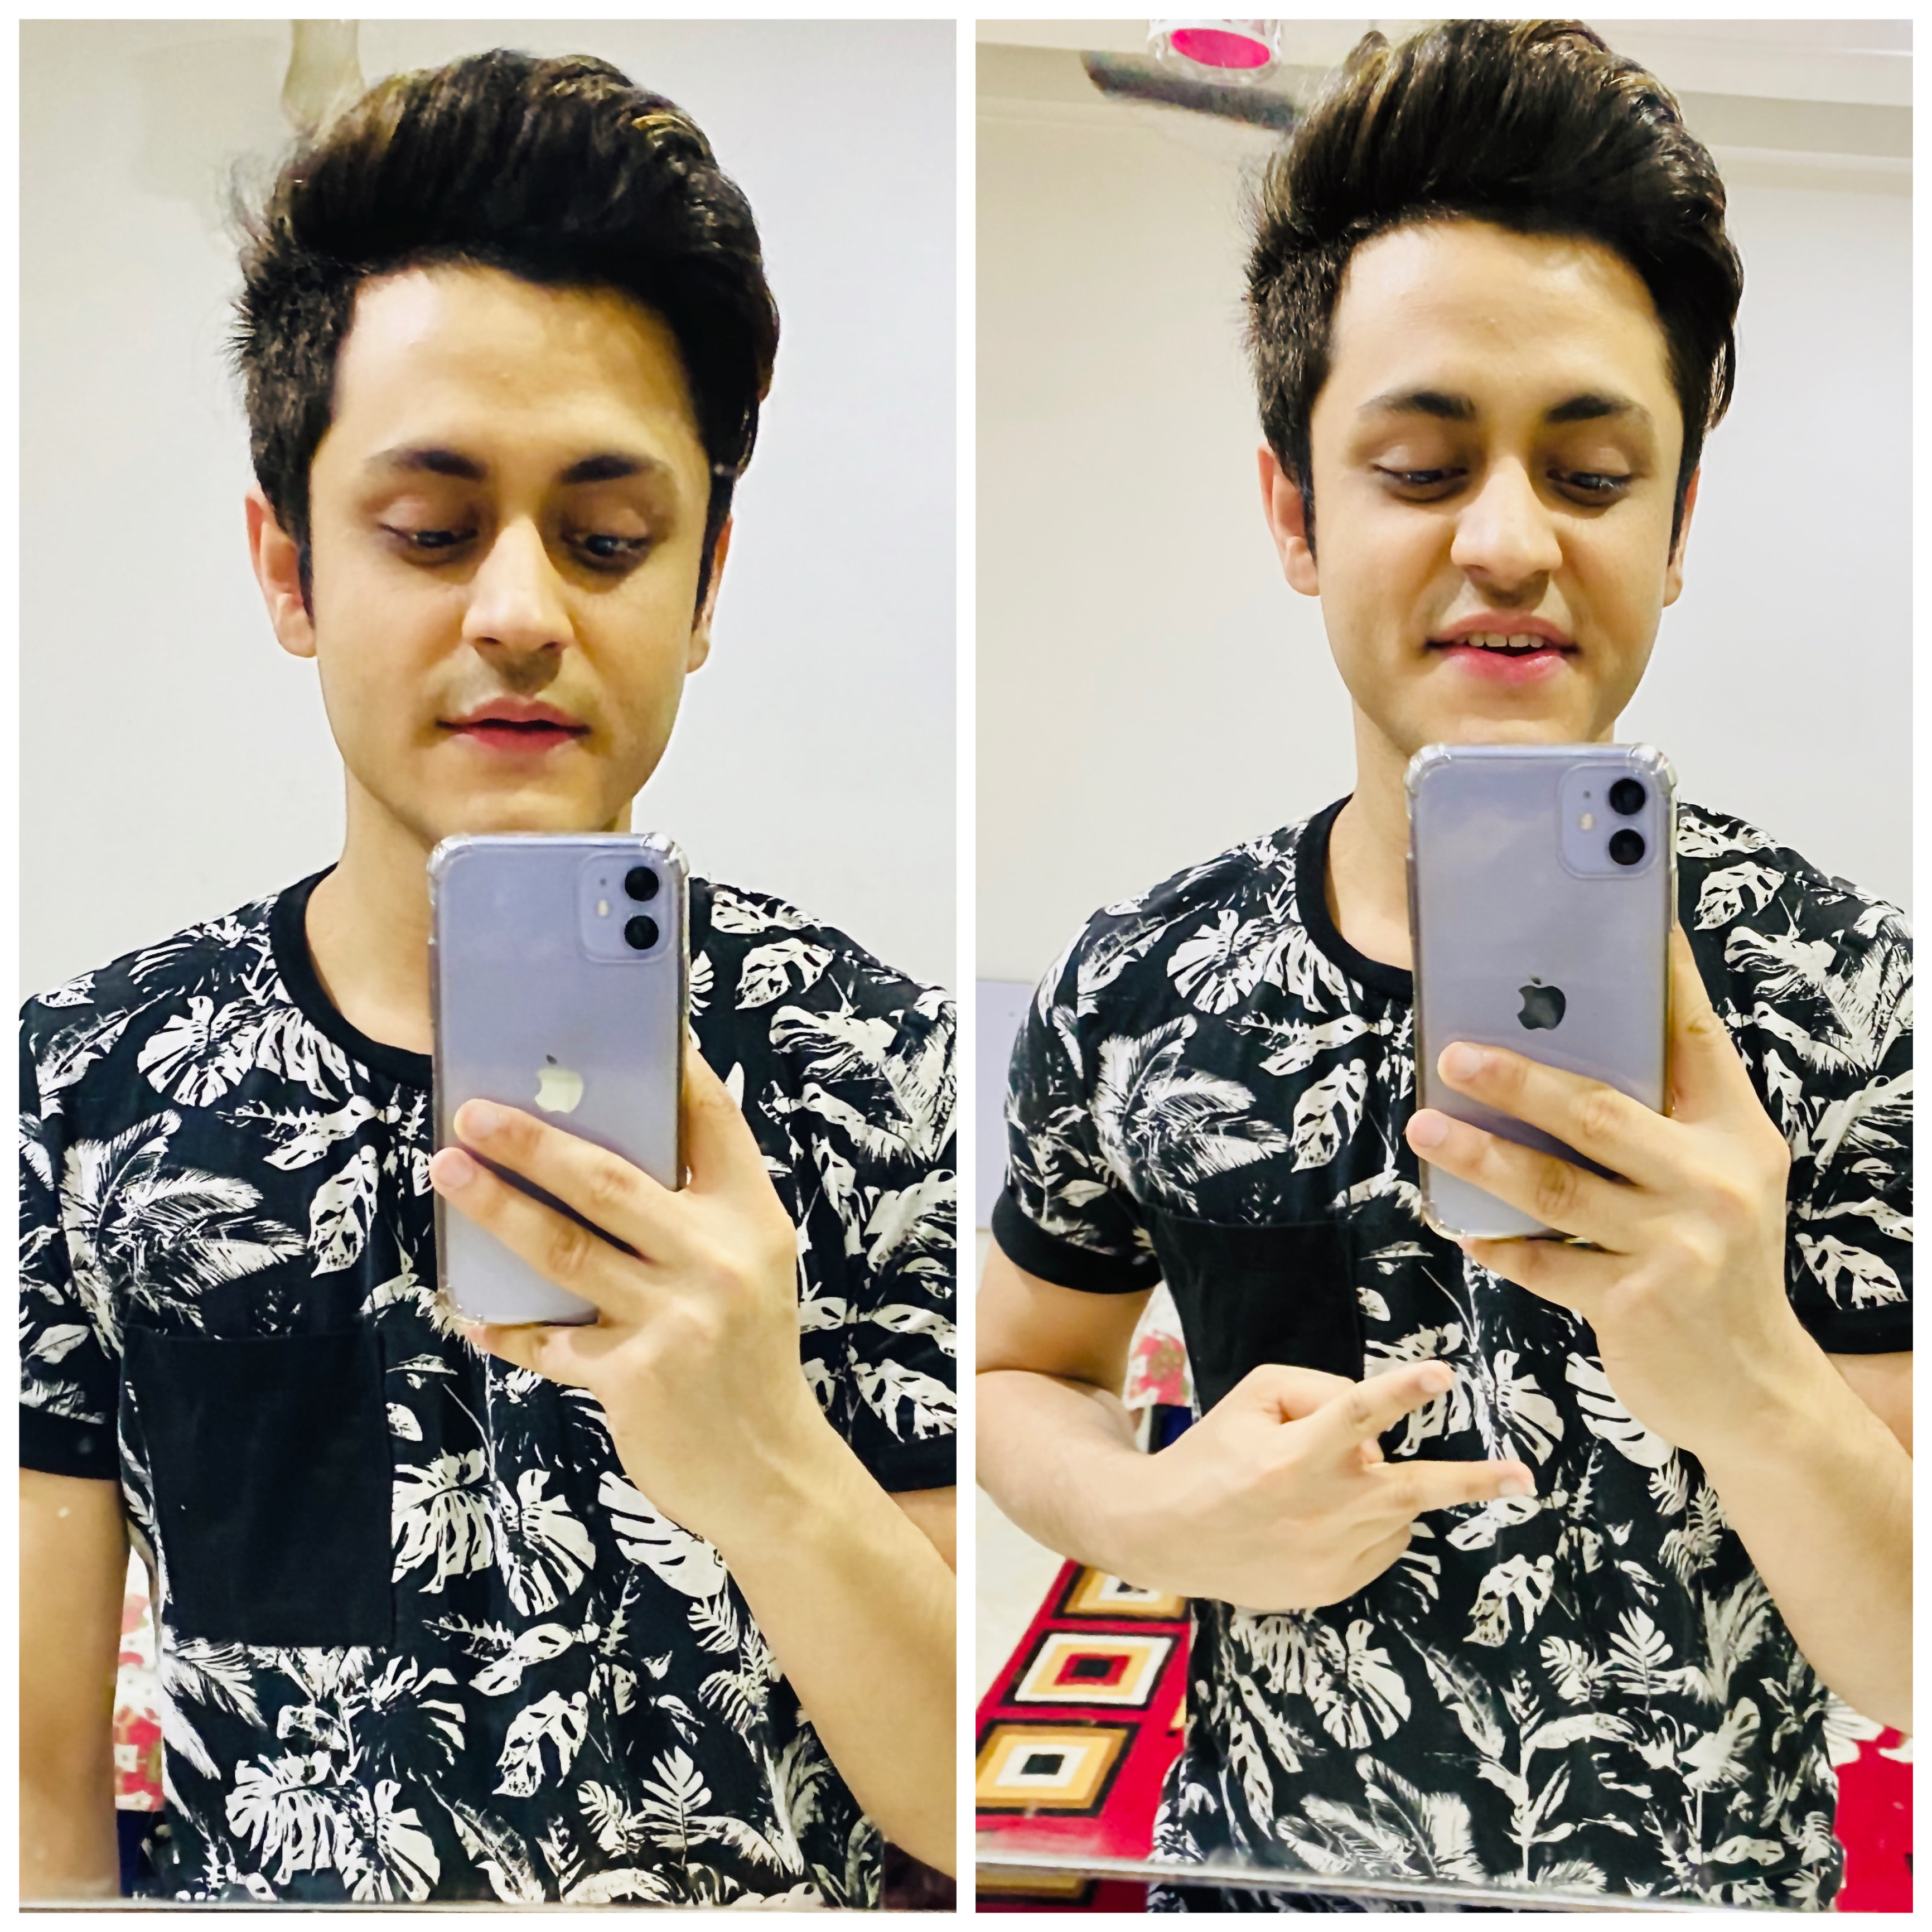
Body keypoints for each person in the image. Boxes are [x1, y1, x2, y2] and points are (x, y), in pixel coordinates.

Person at [977, 19, 1909, 1912]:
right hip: (1263, 1882)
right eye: (1418, 466)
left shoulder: (1848, 994)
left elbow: (1912, 1660)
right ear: (1296, 513)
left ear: (1676, 525)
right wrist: (1152, 1510)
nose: (1507, 541)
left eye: (1591, 473)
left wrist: (1752, 1376)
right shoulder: (1144, 982)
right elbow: (1015, 1372)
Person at [21, 50, 956, 1906]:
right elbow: (39, 1793)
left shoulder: (871, 1065)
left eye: (608, 541)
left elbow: (962, 1816)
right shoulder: (84, 1089)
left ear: (704, 584)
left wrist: (767, 1457)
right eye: (432, 531)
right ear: (288, 566)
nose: (522, 612)